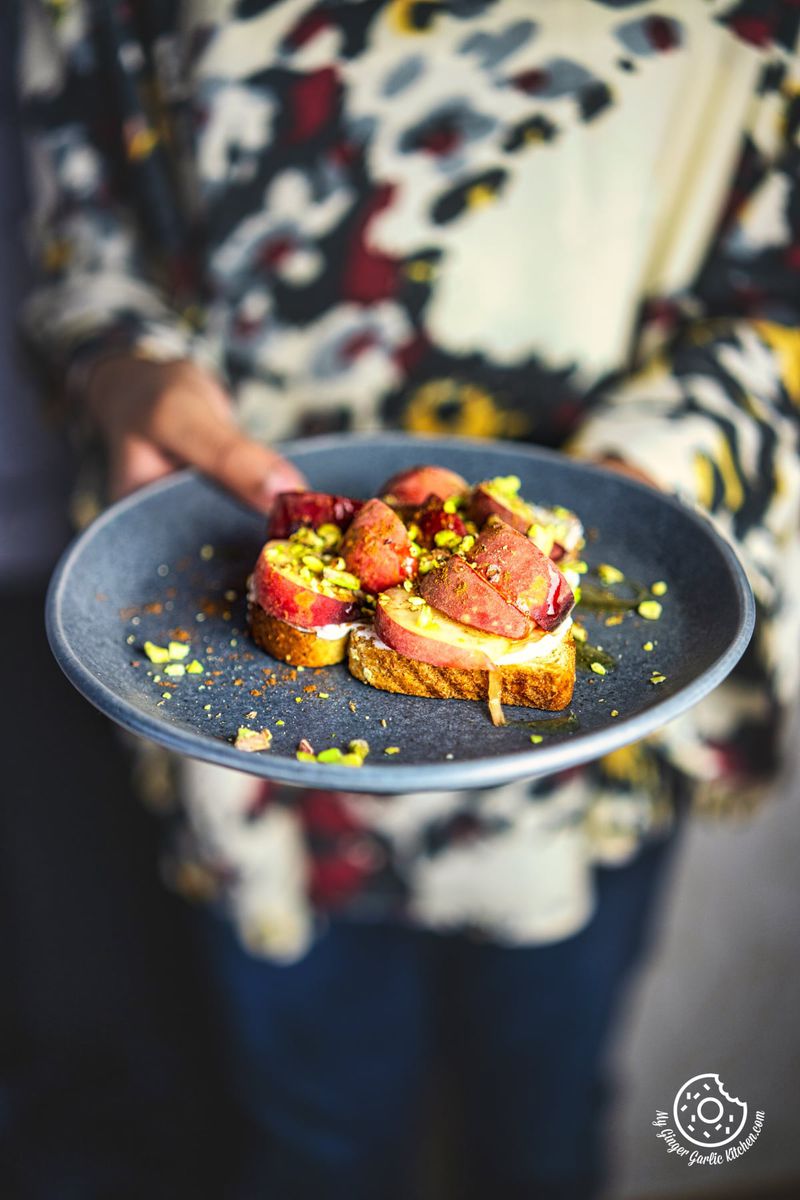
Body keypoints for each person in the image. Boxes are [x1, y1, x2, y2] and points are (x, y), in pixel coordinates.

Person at [17, 2, 800, 1196]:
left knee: (538, 1137)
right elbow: (82, 226)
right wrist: (126, 368)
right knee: (310, 1141)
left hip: (590, 715)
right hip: (240, 717)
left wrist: (617, 502)